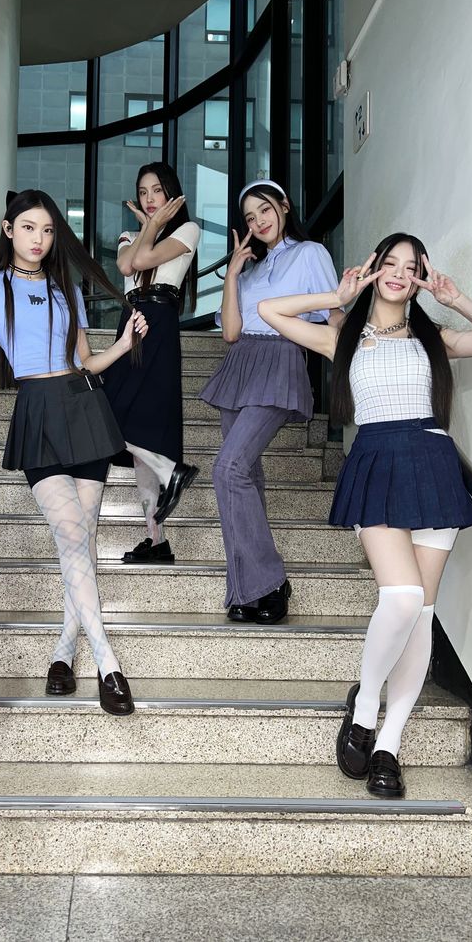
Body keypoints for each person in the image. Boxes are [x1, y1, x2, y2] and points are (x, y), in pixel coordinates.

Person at [258, 232, 472, 797]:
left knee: (421, 613)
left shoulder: (432, 337)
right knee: (399, 598)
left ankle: (388, 747)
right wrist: (337, 293)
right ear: (373, 269)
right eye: (390, 263)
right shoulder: (342, 336)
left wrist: (454, 297)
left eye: (412, 266)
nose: (400, 273)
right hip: (375, 462)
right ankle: (366, 703)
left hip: (433, 463)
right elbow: (268, 309)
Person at [0, 189, 148, 716]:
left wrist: (126, 347)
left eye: (47, 230)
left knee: (80, 541)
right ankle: (109, 663)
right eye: (28, 229)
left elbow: (86, 361)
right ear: (8, 229)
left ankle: (63, 654)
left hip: (84, 408)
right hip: (37, 412)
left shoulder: (66, 288)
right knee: (69, 533)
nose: (39, 240)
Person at [200, 180, 338, 624]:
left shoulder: (310, 253)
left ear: (284, 205)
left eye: (264, 210)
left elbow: (335, 316)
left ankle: (270, 581)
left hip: (280, 358)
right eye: (249, 217)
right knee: (246, 477)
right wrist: (235, 275)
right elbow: (230, 332)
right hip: (241, 363)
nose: (258, 222)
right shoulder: (252, 271)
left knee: (229, 468)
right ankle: (246, 589)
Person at [103, 162, 201, 564]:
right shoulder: (130, 234)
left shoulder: (188, 231)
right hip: (132, 322)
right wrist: (147, 224)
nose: (149, 199)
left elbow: (144, 263)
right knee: (109, 415)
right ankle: (156, 535)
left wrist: (155, 225)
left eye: (157, 190)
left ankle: (165, 486)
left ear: (172, 194)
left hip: (159, 319)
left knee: (134, 423)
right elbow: (127, 265)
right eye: (143, 192)